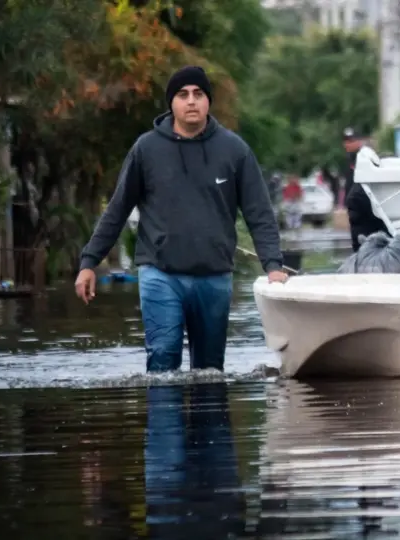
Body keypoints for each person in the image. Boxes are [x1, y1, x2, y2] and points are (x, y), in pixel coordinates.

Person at [73, 65, 286, 373]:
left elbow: (259, 213)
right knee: (162, 359)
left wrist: (273, 265)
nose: (191, 101)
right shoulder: (146, 149)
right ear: (171, 103)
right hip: (160, 274)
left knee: (210, 370)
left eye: (198, 94)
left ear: (208, 101)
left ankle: (209, 420)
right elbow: (117, 209)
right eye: (183, 95)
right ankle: (164, 421)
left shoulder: (234, 150)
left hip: (214, 277)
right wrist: (89, 262)